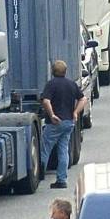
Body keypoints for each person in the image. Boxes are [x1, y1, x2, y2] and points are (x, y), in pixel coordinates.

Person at [40, 60, 87, 190]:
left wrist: (51, 114)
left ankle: (39, 175)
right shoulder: (71, 84)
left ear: (52, 71)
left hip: (55, 122)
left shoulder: (51, 84)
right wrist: (76, 112)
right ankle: (61, 180)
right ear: (65, 71)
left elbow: (46, 100)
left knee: (45, 148)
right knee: (63, 150)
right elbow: (83, 99)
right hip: (68, 122)